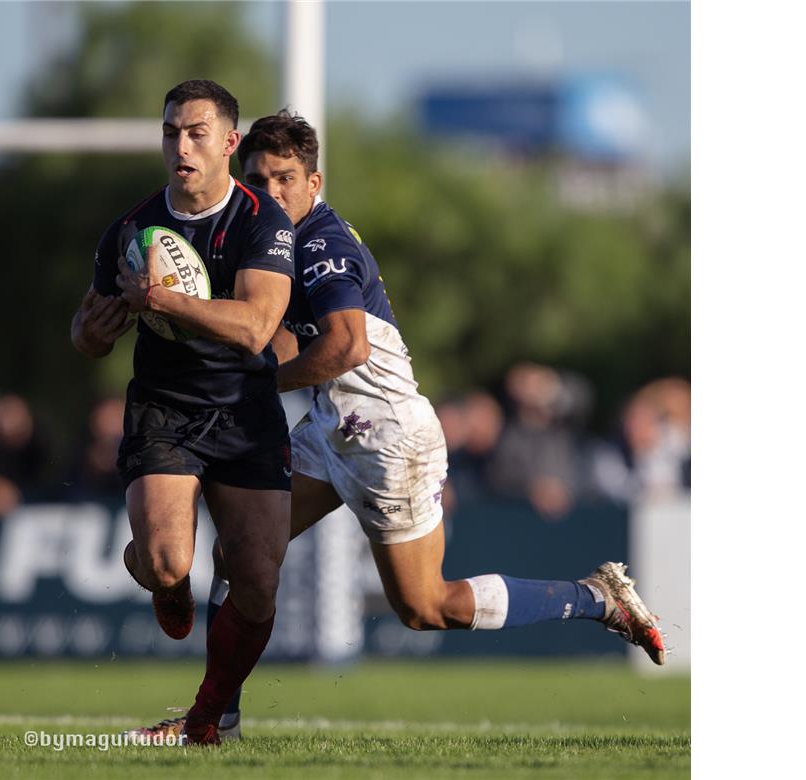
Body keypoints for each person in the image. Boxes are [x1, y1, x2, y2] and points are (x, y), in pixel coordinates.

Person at [127, 110, 666, 742]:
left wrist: (254, 386)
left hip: (386, 437)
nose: (269, 193)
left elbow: (347, 347)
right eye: (258, 180)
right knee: (237, 557)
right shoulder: (267, 239)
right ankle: (214, 721)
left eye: (284, 179)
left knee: (423, 607)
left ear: (314, 182)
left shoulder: (322, 243)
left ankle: (595, 598)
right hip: (334, 426)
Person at [71, 80, 296, 746]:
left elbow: (257, 328)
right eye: (172, 132)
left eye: (197, 132)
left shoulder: (261, 220)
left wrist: (167, 303)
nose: (182, 145)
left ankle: (206, 717)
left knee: (256, 585)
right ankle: (155, 570)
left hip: (245, 412)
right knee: (170, 565)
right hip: (165, 409)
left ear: (229, 142)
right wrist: (96, 330)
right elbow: (83, 331)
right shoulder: (133, 228)